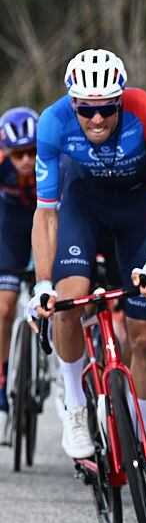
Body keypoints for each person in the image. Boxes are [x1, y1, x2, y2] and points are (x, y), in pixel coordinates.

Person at [29, 48, 146, 510]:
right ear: (72, 103)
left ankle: (142, 454)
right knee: (68, 303)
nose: (97, 119)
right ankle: (76, 405)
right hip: (84, 207)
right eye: (86, 110)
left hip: (139, 210)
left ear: (121, 100)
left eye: (107, 108)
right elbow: (47, 214)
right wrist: (42, 284)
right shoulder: (53, 123)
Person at [0, 107, 39, 440]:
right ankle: (2, 381)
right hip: (10, 229)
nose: (26, 160)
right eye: (18, 154)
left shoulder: (54, 158)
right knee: (4, 307)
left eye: (32, 151)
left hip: (45, 223)